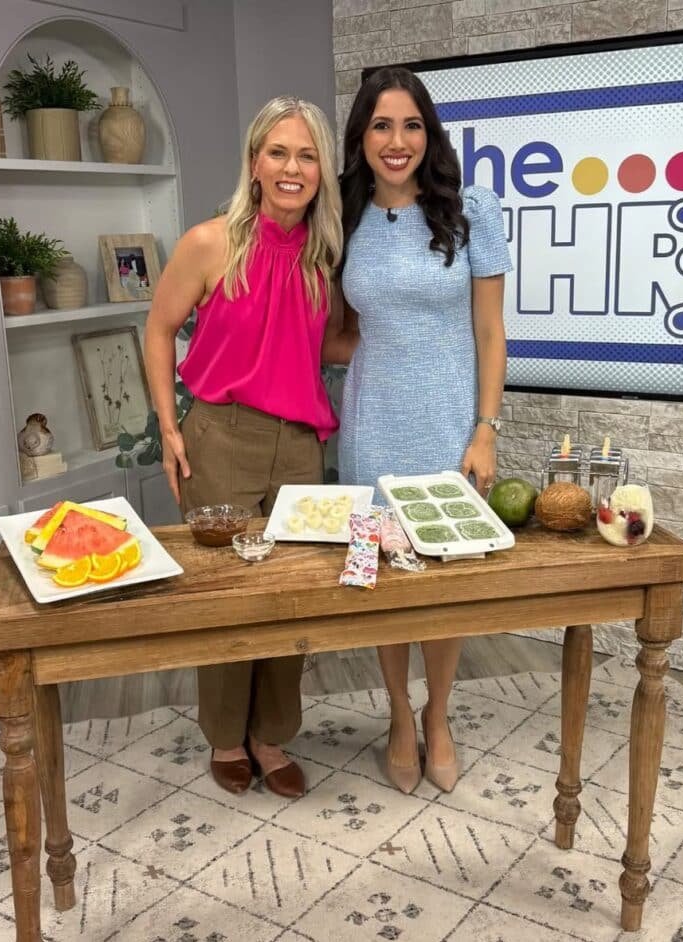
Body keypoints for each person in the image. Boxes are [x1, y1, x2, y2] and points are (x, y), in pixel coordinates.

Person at [145, 96, 342, 798]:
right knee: (227, 595)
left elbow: (334, 340)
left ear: (322, 170)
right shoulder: (209, 243)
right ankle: (226, 737)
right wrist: (169, 426)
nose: (293, 168)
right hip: (220, 436)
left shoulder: (327, 256)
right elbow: (160, 327)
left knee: (291, 595)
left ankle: (271, 736)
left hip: (299, 448)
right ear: (254, 162)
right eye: (279, 153)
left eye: (308, 155)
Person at [323, 67, 512, 795]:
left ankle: (440, 715)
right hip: (371, 427)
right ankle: (399, 714)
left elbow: (491, 333)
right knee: (384, 585)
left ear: (427, 135)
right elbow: (338, 332)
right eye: (380, 126)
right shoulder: (341, 214)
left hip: (449, 426)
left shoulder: (472, 211)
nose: (395, 141)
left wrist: (485, 429)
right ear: (361, 138)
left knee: (446, 587)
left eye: (410, 126)